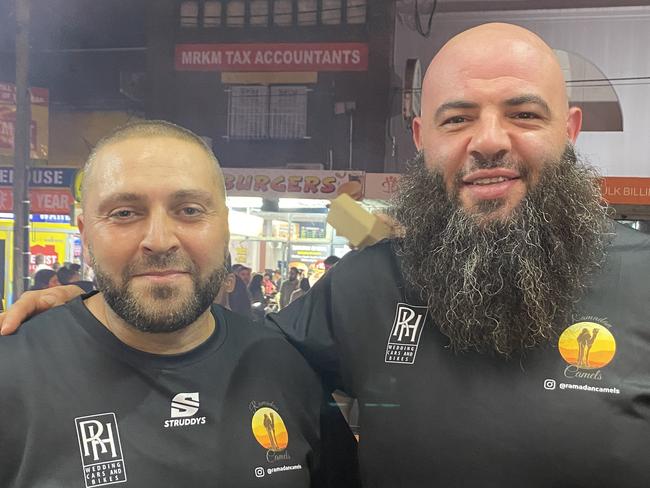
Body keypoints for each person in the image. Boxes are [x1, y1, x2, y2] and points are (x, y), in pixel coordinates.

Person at [4, 23, 650, 487]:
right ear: (423, 140)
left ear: (567, 132)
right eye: (456, 119)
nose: (487, 141)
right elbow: (215, 347)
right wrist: (84, 317)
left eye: (522, 114)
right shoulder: (366, 287)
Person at [0, 121, 359, 487]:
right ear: (85, 235)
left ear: (226, 229)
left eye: (189, 210)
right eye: (124, 213)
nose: (159, 240)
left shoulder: (286, 367)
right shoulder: (12, 374)